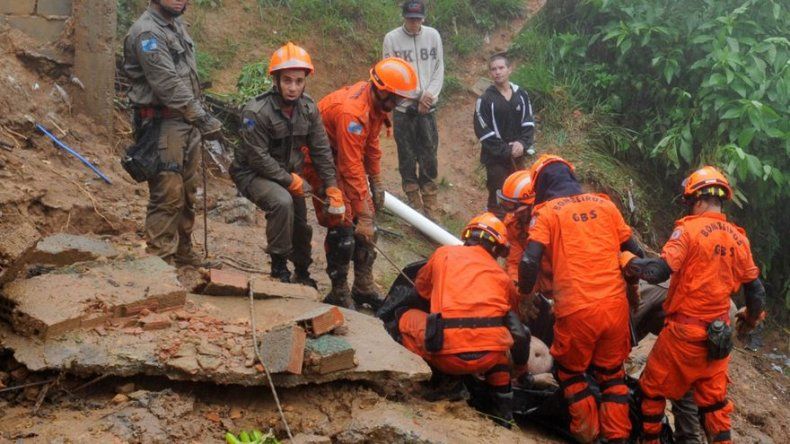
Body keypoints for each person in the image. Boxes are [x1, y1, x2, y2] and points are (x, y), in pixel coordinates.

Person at [625, 166, 766, 444]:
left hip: (683, 334)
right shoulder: (740, 238)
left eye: (690, 202)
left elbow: (659, 272)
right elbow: (756, 292)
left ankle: (650, 441)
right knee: (714, 407)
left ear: (698, 199)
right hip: (718, 338)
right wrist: (749, 321)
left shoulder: (688, 230)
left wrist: (629, 264)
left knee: (650, 391)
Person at [518, 154, 644, 443]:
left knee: (572, 373)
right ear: (571, 176)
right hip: (614, 308)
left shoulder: (548, 212)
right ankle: (617, 439)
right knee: (612, 377)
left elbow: (528, 263)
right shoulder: (606, 205)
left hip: (577, 309)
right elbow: (636, 254)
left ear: (540, 186)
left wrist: (526, 294)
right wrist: (633, 289)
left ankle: (587, 436)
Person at [378, 212, 531, 427]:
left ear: (467, 236)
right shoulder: (503, 278)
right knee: (496, 350)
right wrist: (522, 369)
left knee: (404, 315)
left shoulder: (444, 254)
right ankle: (504, 413)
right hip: (485, 359)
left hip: (447, 357)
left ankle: (437, 380)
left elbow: (420, 293)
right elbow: (518, 330)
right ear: (498, 248)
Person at [304, 57, 418, 309]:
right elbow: (350, 166)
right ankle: (339, 290)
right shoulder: (351, 113)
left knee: (368, 222)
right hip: (320, 161)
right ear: (382, 90)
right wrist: (362, 213)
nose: (397, 104)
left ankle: (363, 286)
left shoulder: (375, 104)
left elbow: (371, 146)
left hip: (343, 156)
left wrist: (376, 181)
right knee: (342, 220)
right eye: (396, 98)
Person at [230, 42, 344, 286]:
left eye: (299, 81)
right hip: (252, 172)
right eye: (287, 81)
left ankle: (302, 271)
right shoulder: (256, 112)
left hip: (287, 173)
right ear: (276, 80)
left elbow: (321, 149)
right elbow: (256, 157)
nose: (293, 88)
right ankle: (279, 266)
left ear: (305, 81)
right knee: (282, 203)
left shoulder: (308, 109)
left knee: (301, 222)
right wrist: (289, 179)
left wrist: (332, 186)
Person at [122, 0, 223, 267]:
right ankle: (161, 263)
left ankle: (183, 251)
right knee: (168, 193)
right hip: (162, 123)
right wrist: (201, 116)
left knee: (188, 192)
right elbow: (166, 83)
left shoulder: (175, 25)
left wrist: (195, 117)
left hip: (185, 122)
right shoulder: (147, 33)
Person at [383, 0, 444, 219]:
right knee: (407, 155)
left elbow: (439, 68)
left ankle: (430, 204)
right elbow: (391, 74)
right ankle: (413, 200)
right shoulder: (391, 39)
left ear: (423, 18)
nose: (413, 23)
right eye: (410, 18)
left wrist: (429, 96)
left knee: (429, 154)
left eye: (417, 19)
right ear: (404, 17)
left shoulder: (433, 36)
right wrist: (418, 95)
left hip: (428, 107)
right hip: (403, 108)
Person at [474, 53, 535, 219]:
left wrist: (522, 144)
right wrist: (506, 150)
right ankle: (494, 234)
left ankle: (519, 236)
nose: (497, 72)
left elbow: (528, 122)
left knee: (521, 196)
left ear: (509, 69)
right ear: (490, 73)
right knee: (498, 197)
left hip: (518, 155)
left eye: (501, 68)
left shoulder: (521, 95)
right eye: (493, 69)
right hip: (495, 159)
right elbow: (483, 131)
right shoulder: (485, 100)